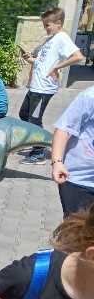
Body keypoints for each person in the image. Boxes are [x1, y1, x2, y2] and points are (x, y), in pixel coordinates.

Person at [19, 7, 85, 165]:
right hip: (35, 86)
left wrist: (57, 67)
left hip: (44, 89)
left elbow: (78, 56)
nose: (45, 28)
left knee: (34, 119)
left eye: (47, 25)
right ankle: (36, 142)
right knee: (24, 114)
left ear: (58, 23)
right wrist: (31, 59)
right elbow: (43, 62)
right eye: (44, 25)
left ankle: (39, 153)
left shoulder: (62, 38)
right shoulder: (51, 39)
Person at [50, 85, 94, 217]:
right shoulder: (90, 96)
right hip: (78, 179)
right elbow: (64, 128)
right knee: (78, 226)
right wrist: (57, 162)